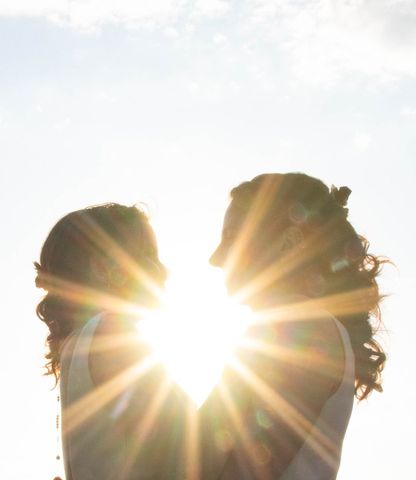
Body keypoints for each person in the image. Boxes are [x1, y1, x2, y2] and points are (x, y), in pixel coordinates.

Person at [201, 173, 388, 479]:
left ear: (289, 241)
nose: (216, 258)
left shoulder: (304, 328)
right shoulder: (286, 329)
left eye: (232, 236)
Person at [35, 203, 191, 480]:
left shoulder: (76, 348)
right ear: (105, 268)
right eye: (149, 256)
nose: (164, 271)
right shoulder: (111, 336)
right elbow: (188, 452)